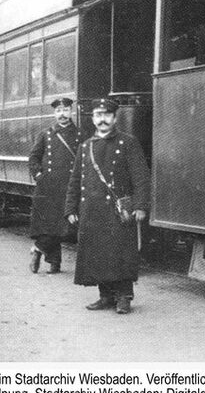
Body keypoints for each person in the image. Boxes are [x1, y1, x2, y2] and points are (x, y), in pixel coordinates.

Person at [65, 98, 150, 314]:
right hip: (92, 210)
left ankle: (124, 297)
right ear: (92, 118)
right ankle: (105, 296)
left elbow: (141, 177)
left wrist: (140, 206)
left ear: (114, 118)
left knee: (121, 253)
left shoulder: (128, 142)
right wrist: (71, 208)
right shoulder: (86, 146)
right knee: (98, 252)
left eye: (107, 115)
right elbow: (75, 180)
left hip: (117, 210)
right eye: (98, 115)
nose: (102, 119)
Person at [27, 97, 85, 274]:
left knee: (65, 225)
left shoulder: (81, 135)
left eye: (65, 110)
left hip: (70, 187)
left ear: (71, 112)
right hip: (48, 187)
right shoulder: (46, 134)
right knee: (50, 224)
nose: (62, 114)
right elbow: (33, 157)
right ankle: (54, 263)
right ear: (54, 113)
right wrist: (39, 176)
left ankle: (38, 249)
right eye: (58, 111)